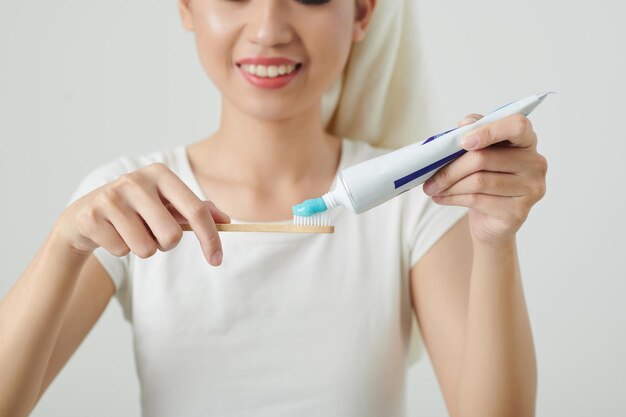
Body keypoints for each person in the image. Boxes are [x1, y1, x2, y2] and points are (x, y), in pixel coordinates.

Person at [0, 0, 547, 416]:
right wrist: (63, 245)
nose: (269, 30)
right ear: (187, 5)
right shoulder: (127, 205)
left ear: (361, 12)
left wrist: (496, 238)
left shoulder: (415, 204)